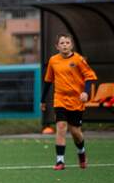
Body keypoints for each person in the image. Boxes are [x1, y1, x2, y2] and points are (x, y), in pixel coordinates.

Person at [40, 33, 97, 170]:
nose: (65, 45)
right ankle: (60, 161)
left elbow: (90, 77)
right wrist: (43, 100)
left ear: (71, 45)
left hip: (76, 101)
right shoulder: (53, 60)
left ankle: (81, 152)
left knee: (75, 132)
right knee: (61, 127)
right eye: (62, 43)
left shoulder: (78, 59)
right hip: (60, 99)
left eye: (67, 43)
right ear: (57, 46)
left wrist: (86, 92)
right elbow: (48, 81)